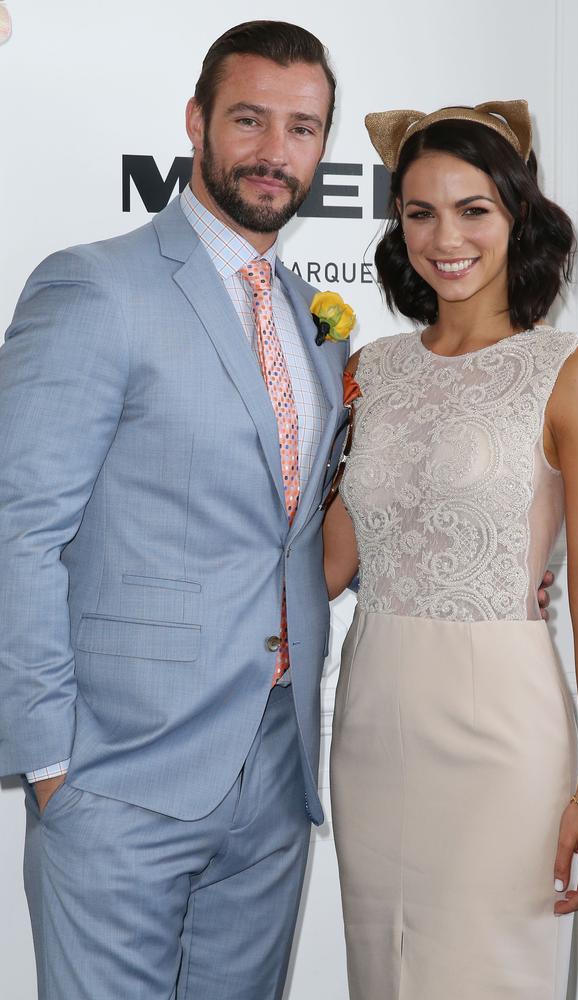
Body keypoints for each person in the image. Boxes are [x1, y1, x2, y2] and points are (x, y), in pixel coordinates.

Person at [0, 20, 351, 1000]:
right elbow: (16, 527)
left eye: (301, 128)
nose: (274, 152)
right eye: (249, 120)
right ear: (197, 122)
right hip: (119, 779)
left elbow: (297, 529)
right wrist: (54, 768)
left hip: (274, 784)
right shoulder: (95, 287)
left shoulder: (312, 321)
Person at [324, 101, 578, 999]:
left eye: (473, 210)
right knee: (386, 975)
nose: (444, 236)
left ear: (517, 216)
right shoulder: (370, 369)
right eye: (419, 212)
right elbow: (333, 561)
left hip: (505, 741)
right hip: (375, 729)